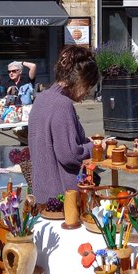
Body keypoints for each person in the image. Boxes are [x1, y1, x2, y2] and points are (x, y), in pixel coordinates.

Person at [27, 45, 100, 202]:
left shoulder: (41, 98)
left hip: (42, 190)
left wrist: (84, 142)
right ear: (80, 79)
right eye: (88, 86)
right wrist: (95, 147)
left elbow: (51, 142)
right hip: (62, 195)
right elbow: (70, 155)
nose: (87, 92)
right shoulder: (62, 104)